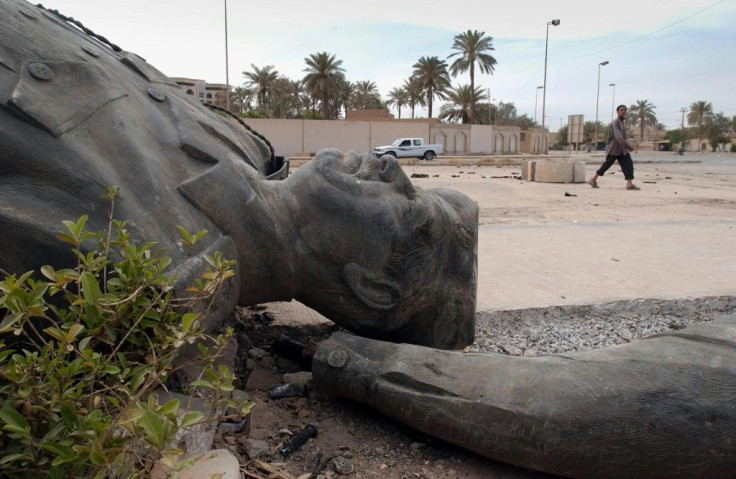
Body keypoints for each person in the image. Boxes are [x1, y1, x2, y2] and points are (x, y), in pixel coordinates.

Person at [0, 0, 478, 350]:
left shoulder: (146, 277)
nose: (396, 169)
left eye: (411, 209)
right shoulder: (247, 145)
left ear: (370, 286)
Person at [588, 104, 640, 190]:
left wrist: (625, 147)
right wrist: (627, 146)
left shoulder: (622, 122)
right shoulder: (615, 122)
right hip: (614, 149)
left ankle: (629, 184)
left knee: (628, 165)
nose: (623, 111)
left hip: (622, 150)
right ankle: (593, 179)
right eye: (621, 110)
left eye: (625, 110)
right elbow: (618, 137)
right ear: (617, 111)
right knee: (606, 165)